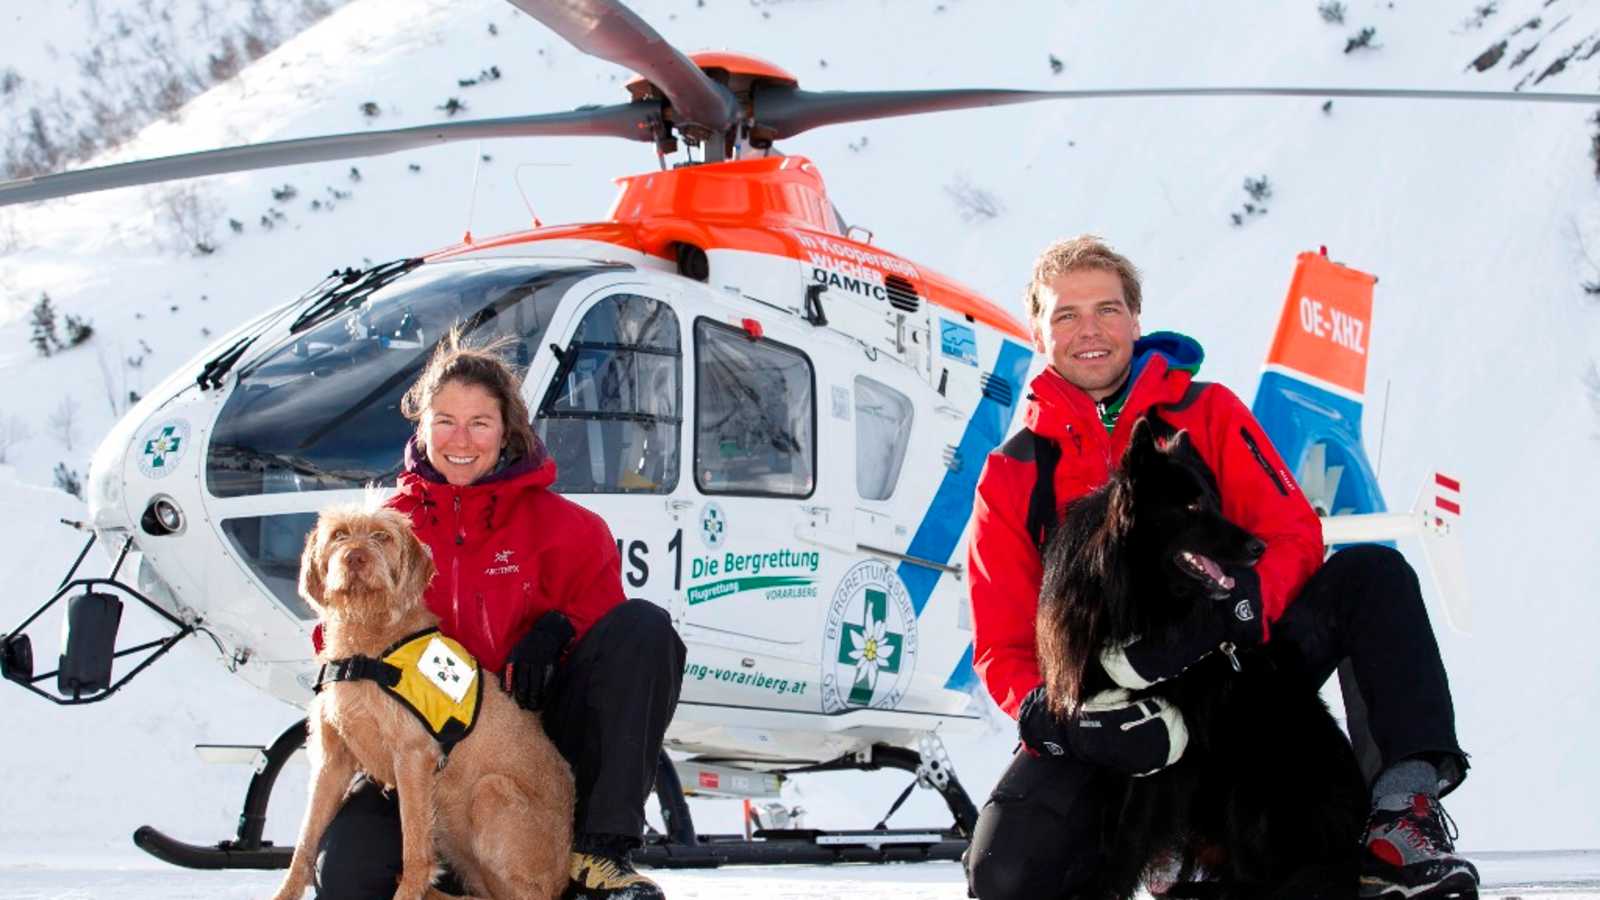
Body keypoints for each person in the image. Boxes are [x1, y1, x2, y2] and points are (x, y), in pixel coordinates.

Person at [962, 236, 1475, 900]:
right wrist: (1059, 715)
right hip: (1113, 703)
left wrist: (1234, 611)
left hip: (1231, 668)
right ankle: (1168, 844)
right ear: (1040, 329)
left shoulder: (1209, 413)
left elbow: (1291, 533)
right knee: (1007, 874)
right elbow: (1001, 640)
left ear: (1136, 320)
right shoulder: (1014, 471)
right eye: (1066, 315)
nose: (1089, 330)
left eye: (1107, 310)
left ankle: (1402, 819)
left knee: (1373, 575)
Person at [315, 332, 686, 900]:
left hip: (532, 742)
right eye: (444, 421)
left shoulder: (569, 527)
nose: (460, 440)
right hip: (417, 748)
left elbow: (614, 645)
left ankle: (596, 853)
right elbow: (336, 628)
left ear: (508, 431)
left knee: (645, 628)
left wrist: (559, 628)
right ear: (421, 428)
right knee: (348, 880)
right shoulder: (386, 525)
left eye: (479, 423)